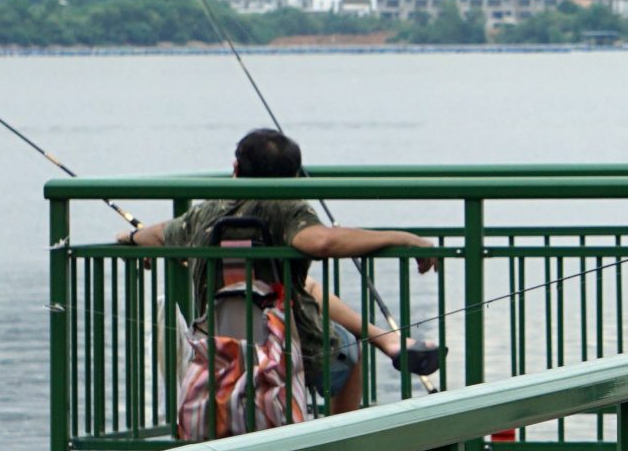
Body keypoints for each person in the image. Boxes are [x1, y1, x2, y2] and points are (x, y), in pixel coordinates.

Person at [117, 128, 441, 415]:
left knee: (308, 286)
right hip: (286, 346)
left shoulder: (207, 211)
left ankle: (389, 341)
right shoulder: (286, 207)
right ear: (295, 176)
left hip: (216, 346)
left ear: (235, 169)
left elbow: (160, 233)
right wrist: (404, 238)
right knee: (346, 351)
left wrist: (131, 238)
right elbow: (321, 241)